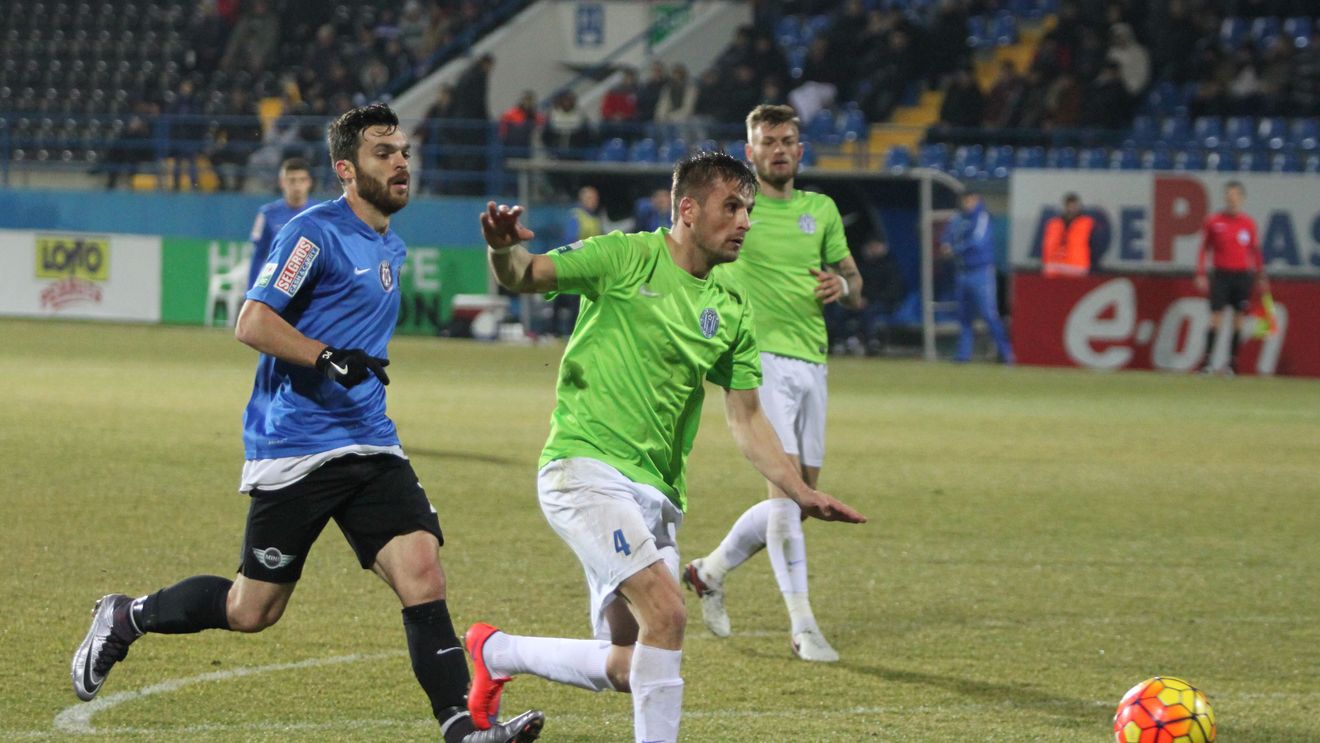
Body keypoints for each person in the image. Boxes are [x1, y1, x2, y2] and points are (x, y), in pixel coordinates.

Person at [70, 103, 544, 743]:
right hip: (297, 445)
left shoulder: (390, 243)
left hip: (370, 441)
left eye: (403, 149)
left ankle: (463, 726)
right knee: (252, 609)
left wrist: (358, 366)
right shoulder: (311, 233)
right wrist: (326, 357)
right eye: (384, 152)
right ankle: (127, 617)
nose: (401, 161)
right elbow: (252, 321)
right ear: (346, 169)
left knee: (422, 572)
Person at [467, 151, 866, 743]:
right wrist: (503, 248)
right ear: (687, 209)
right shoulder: (626, 255)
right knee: (670, 612)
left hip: (656, 494)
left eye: (749, 209)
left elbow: (748, 417)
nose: (745, 222)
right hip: (584, 468)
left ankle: (496, 653)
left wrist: (799, 490)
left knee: (635, 663)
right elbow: (526, 274)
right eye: (731, 207)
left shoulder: (730, 303)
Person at [680, 104, 864, 663]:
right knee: (786, 494)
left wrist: (843, 285)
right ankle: (803, 625)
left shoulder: (822, 210)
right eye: (767, 141)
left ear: (800, 150)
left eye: (787, 140)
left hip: (813, 361)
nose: (778, 149)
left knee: (802, 499)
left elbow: (854, 280)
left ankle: (709, 570)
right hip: (759, 360)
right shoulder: (740, 213)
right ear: (750, 150)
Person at [1195, 180, 1267, 375]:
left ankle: (1232, 364)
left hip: (1242, 276)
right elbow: (1204, 248)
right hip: (1220, 275)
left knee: (1238, 319)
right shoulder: (1214, 221)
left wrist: (1261, 275)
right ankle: (1208, 363)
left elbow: (1255, 251)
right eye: (1228, 195)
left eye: (1235, 195)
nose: (1231, 198)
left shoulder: (1248, 224)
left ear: (1241, 198)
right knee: (1215, 318)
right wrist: (1200, 272)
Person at [940, 191, 1015, 364]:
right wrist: (945, 245)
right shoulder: (957, 218)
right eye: (964, 200)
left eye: (970, 200)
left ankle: (1007, 353)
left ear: (977, 200)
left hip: (981, 272)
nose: (967, 203)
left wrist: (954, 249)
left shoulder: (983, 217)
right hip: (962, 272)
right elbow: (947, 235)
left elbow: (977, 241)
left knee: (989, 315)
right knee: (964, 316)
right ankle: (963, 356)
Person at [246, 158, 316, 290]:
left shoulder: (320, 213)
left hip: (311, 287)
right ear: (282, 182)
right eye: (292, 180)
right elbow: (258, 255)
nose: (297, 186)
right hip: (276, 287)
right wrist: (251, 291)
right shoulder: (267, 214)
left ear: (309, 182)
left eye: (302, 180)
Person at [1040, 192, 1094, 278]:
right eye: (1069, 206)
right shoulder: (1054, 224)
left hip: (1077, 267)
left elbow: (1094, 245)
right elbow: (1047, 245)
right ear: (1064, 207)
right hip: (1054, 266)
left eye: (1074, 206)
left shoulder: (1087, 223)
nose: (1071, 209)